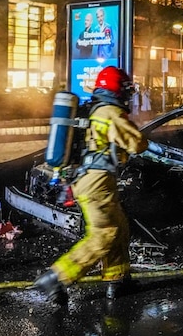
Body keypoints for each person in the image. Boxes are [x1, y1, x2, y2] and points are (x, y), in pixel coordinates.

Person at [33, 66, 153, 304]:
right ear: (117, 90)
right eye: (126, 89)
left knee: (119, 226)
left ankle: (116, 280)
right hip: (95, 183)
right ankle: (56, 277)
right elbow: (137, 143)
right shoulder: (110, 112)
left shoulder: (96, 108)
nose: (129, 94)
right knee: (103, 234)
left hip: (95, 180)